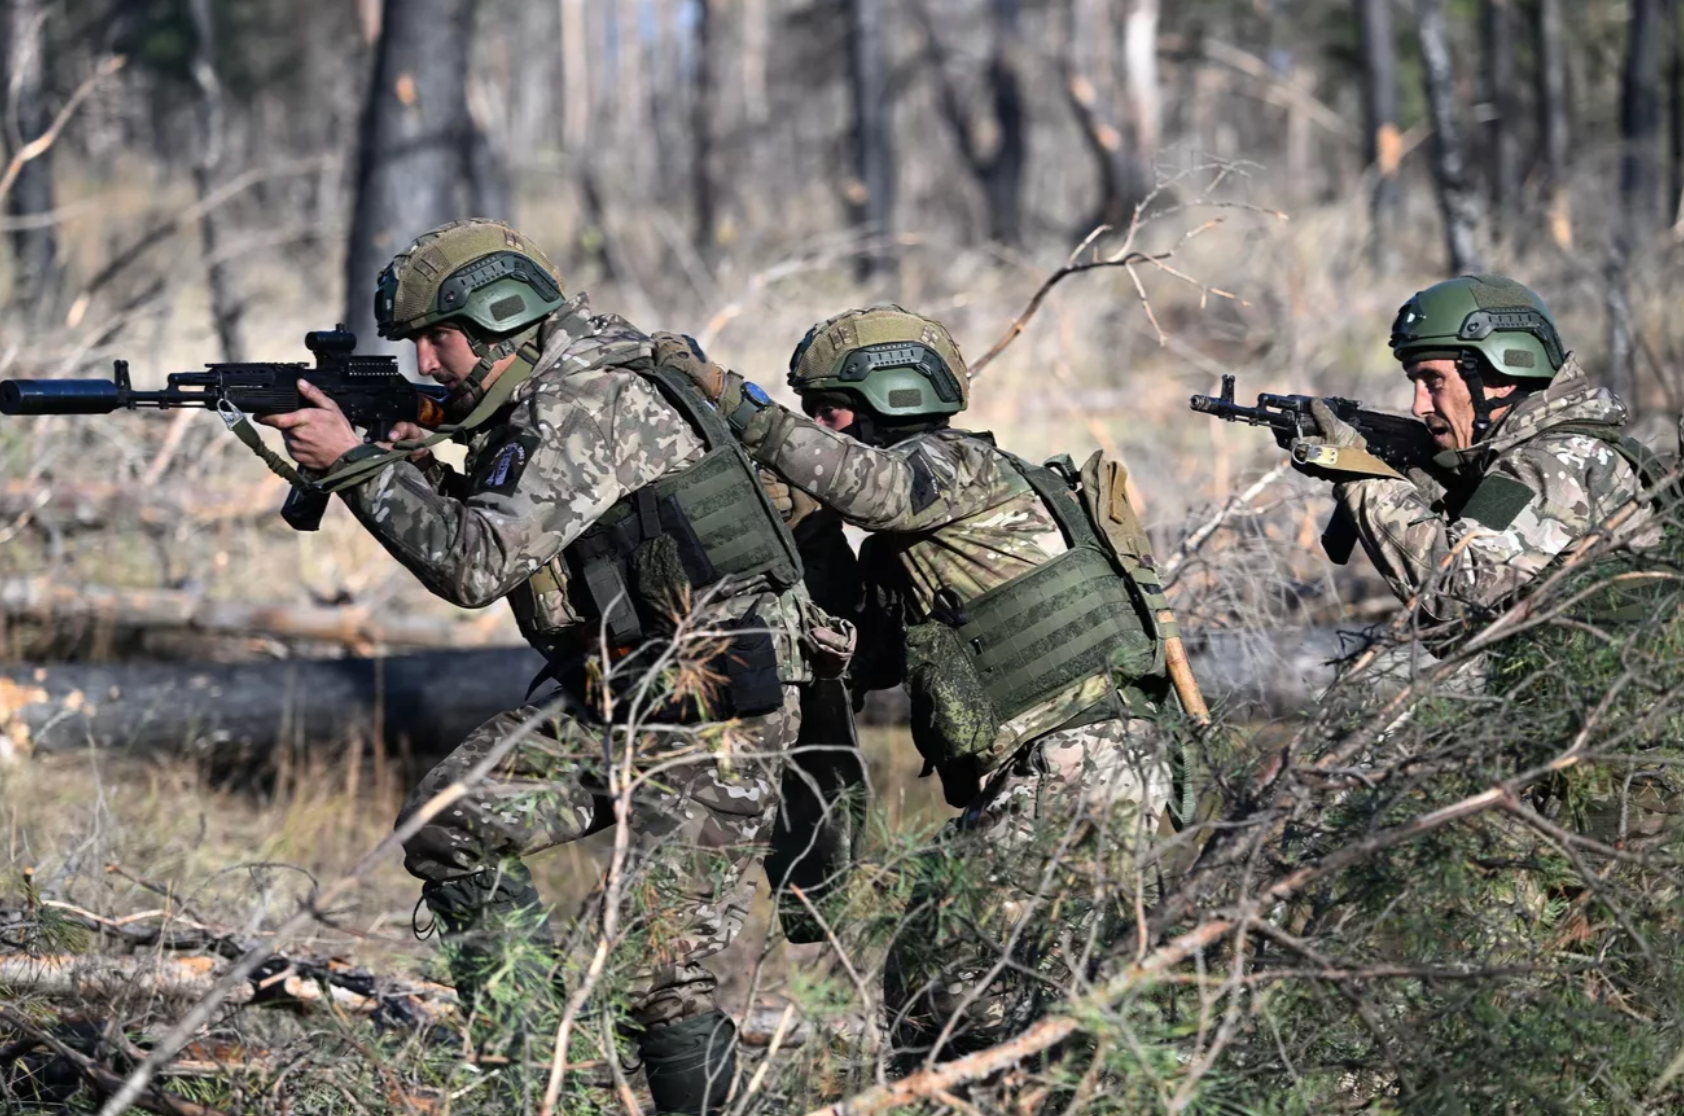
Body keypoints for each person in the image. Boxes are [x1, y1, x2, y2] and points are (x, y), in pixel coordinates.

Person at [260, 219, 844, 1115]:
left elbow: (476, 565)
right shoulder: (539, 398)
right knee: (453, 825)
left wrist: (360, 467)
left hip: (718, 705)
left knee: (664, 981)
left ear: (501, 323)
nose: (422, 362)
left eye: (437, 339)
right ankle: (536, 1078)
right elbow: (514, 529)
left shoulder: (588, 400)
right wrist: (392, 463)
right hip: (629, 692)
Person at [657, 306, 1185, 1064]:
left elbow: (873, 486)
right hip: (1060, 774)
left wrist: (736, 403)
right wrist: (804, 539)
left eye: (828, 409)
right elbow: (860, 658)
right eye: (809, 413)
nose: (819, 428)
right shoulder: (914, 543)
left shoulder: (955, 468)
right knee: (972, 975)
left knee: (955, 969)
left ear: (890, 398)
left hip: (1080, 769)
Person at [1294, 274, 1659, 629]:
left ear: (1500, 375)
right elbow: (1463, 632)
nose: (1418, 406)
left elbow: (1455, 593)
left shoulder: (1553, 462)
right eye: (1415, 383)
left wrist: (1362, 476)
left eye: (1433, 381)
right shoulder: (1534, 458)